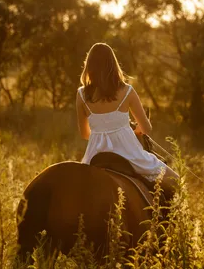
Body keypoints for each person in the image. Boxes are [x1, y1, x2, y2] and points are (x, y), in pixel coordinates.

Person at [76, 42, 179, 199]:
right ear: (113, 64)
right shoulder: (127, 91)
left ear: (89, 65)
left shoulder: (82, 94)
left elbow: (84, 134)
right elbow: (145, 128)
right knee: (175, 181)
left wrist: (102, 133)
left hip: (94, 155)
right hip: (128, 153)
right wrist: (131, 130)